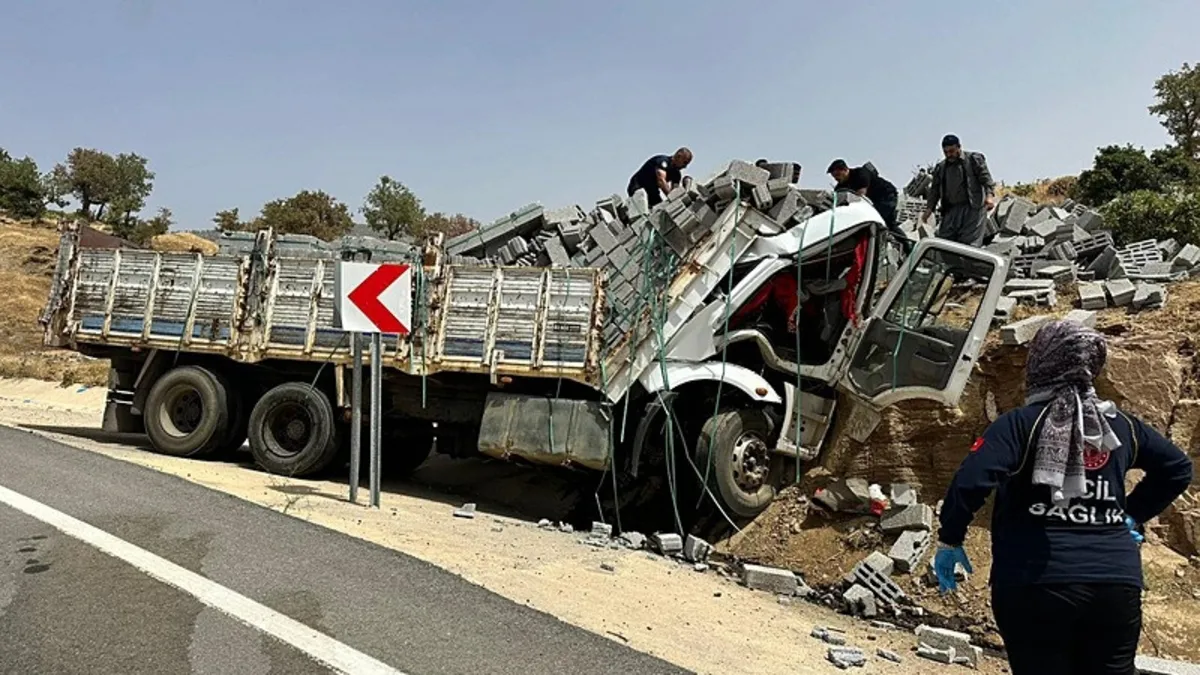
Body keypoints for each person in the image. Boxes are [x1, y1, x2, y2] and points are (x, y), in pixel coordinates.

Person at [934, 320, 1192, 675]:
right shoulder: (1121, 426)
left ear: (1042, 361)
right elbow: (1177, 468)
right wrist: (1131, 514)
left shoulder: (1021, 424)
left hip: (1035, 583)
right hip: (1114, 584)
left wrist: (950, 538)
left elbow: (972, 480)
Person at [922, 134, 996, 246]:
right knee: (945, 244)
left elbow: (986, 179)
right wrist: (929, 209)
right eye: (945, 152)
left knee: (970, 245)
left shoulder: (973, 159)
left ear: (959, 147)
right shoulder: (941, 168)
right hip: (951, 211)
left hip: (973, 209)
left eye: (951, 151)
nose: (949, 155)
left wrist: (989, 196)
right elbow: (934, 190)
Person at [827, 159, 910, 254]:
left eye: (838, 175)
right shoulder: (841, 187)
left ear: (845, 169)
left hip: (887, 196)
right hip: (875, 202)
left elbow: (860, 196)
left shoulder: (860, 173)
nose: (836, 179)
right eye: (834, 177)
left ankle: (877, 253)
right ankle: (908, 249)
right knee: (891, 225)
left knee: (875, 223)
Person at [627, 147, 693, 207]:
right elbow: (661, 181)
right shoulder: (662, 161)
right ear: (679, 156)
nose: (685, 166)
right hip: (637, 187)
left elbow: (674, 191)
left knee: (660, 210)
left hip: (652, 192)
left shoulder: (676, 174)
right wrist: (672, 198)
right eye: (685, 162)